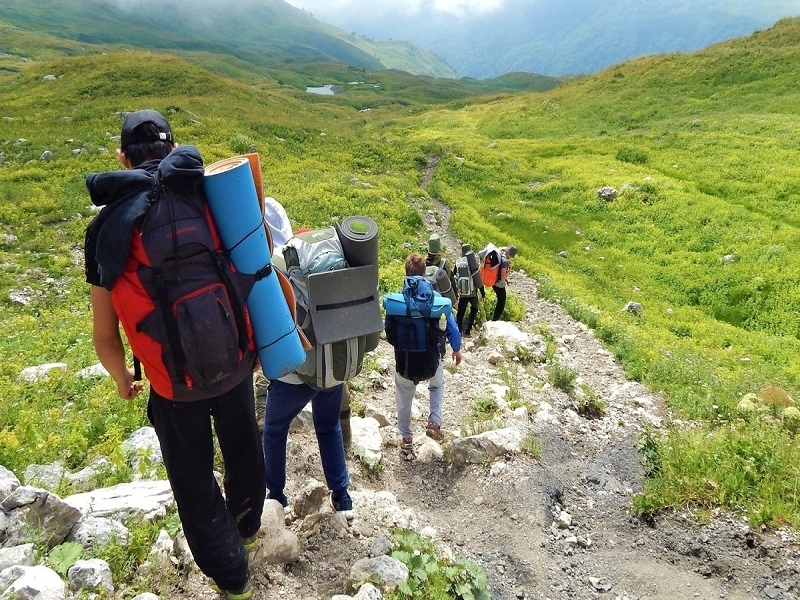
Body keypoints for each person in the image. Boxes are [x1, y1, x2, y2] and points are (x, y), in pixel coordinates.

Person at [84, 110, 265, 600]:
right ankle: (247, 530)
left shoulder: (105, 230)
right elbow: (256, 264)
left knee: (193, 483)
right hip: (235, 362)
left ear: (122, 159)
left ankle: (233, 578)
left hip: (171, 384)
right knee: (244, 451)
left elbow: (106, 333)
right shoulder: (209, 196)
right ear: (173, 149)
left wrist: (122, 375)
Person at [392, 252, 462, 457]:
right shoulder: (437, 299)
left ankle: (406, 438)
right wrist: (456, 349)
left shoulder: (397, 300)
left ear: (406, 273)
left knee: (404, 396)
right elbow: (452, 328)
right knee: (437, 384)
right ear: (424, 274)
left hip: (404, 359)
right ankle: (434, 421)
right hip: (431, 358)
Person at [261, 375, 354, 520]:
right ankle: (342, 498)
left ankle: (276, 495)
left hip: (294, 375)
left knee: (274, 429)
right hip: (332, 371)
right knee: (329, 426)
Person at [455, 245, 486, 337]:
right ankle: (467, 330)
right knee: (474, 309)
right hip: (472, 292)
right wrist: (483, 293)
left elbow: (454, 277)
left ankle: (458, 331)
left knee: (460, 312)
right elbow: (478, 279)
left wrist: (456, 293)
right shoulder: (472, 263)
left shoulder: (458, 263)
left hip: (462, 293)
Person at [491, 245, 517, 321]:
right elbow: (502, 278)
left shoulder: (501, 253)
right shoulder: (505, 261)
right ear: (510, 254)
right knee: (502, 301)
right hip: (498, 283)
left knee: (500, 300)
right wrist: (510, 269)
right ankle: (495, 320)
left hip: (493, 280)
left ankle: (495, 318)